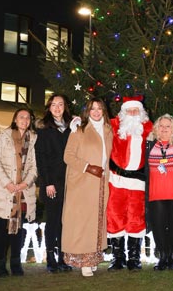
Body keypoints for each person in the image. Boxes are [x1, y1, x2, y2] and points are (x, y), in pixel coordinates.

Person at [62, 98, 113, 277]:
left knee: (97, 221)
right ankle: (83, 261)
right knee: (83, 222)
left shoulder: (108, 130)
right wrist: (88, 167)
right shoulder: (79, 129)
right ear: (87, 111)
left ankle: (93, 259)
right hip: (83, 181)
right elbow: (68, 156)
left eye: (99, 109)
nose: (96, 112)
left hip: (101, 183)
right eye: (93, 109)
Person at [0, 108, 38, 277]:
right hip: (3, 191)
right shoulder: (3, 137)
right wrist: (7, 183)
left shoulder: (33, 139)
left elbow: (34, 167)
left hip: (22, 192)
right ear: (15, 119)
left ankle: (16, 264)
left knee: (18, 231)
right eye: (21, 117)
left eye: (28, 118)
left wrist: (25, 183)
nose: (24, 120)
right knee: (1, 230)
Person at [106, 97, 154, 271]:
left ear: (141, 112)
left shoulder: (149, 128)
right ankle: (118, 258)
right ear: (123, 112)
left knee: (136, 218)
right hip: (116, 180)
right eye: (129, 110)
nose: (133, 113)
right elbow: (94, 124)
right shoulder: (113, 125)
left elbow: (167, 134)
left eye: (136, 110)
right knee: (115, 216)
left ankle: (134, 258)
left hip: (138, 182)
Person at [34, 94, 73, 273]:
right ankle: (50, 257)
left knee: (65, 222)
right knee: (53, 221)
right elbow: (41, 159)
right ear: (49, 107)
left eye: (61, 104)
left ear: (65, 107)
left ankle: (63, 257)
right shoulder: (44, 129)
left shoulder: (71, 127)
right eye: (54, 105)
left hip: (70, 183)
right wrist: (47, 183)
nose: (57, 108)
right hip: (52, 183)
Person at [144, 114, 173, 270]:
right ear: (156, 128)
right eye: (161, 126)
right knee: (158, 226)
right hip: (155, 194)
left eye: (167, 126)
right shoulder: (149, 144)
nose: (164, 129)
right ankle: (163, 257)